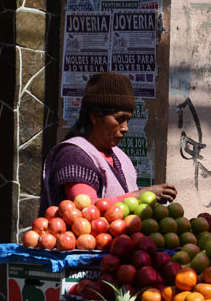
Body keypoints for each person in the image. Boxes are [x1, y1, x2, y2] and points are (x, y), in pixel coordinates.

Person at [41, 72, 176, 208]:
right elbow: (87, 209)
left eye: (128, 120)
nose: (125, 128)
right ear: (95, 117)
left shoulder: (119, 156)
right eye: (119, 119)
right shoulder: (73, 156)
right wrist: (140, 195)